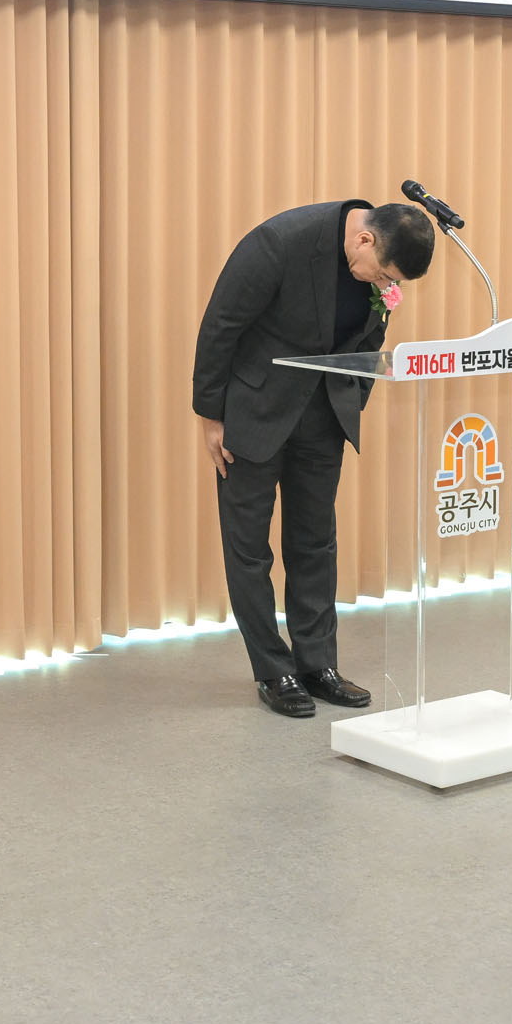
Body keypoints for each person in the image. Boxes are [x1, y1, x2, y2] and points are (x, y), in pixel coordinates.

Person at [192, 200, 436, 718]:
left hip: (323, 415)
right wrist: (212, 416)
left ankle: (318, 664)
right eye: (385, 275)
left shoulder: (375, 263)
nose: (385, 284)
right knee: (249, 548)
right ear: (365, 240)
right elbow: (221, 325)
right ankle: (272, 670)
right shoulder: (280, 242)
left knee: (315, 543)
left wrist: (352, 398)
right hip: (255, 412)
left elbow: (371, 336)